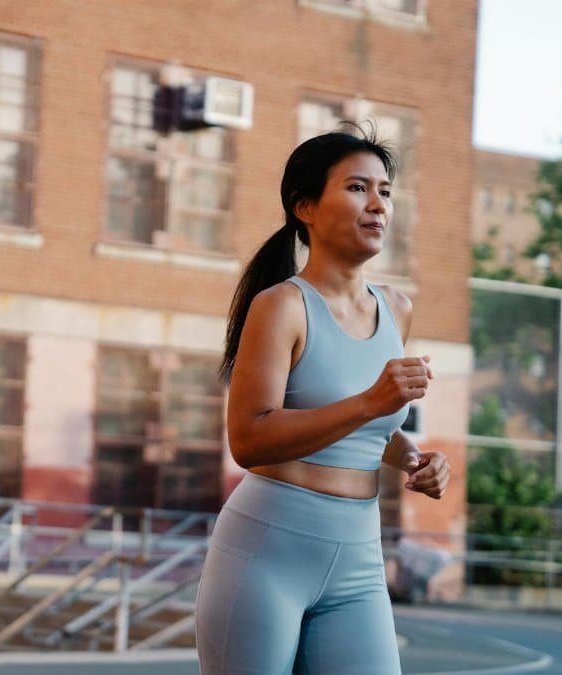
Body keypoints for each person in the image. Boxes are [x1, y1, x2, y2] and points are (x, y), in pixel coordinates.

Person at [195, 125, 450, 674]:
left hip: (359, 557)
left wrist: (414, 459)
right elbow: (249, 439)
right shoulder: (282, 306)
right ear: (305, 206)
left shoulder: (398, 309)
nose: (377, 204)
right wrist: (370, 401)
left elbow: (366, 428)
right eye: (357, 188)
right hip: (266, 554)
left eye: (385, 190)